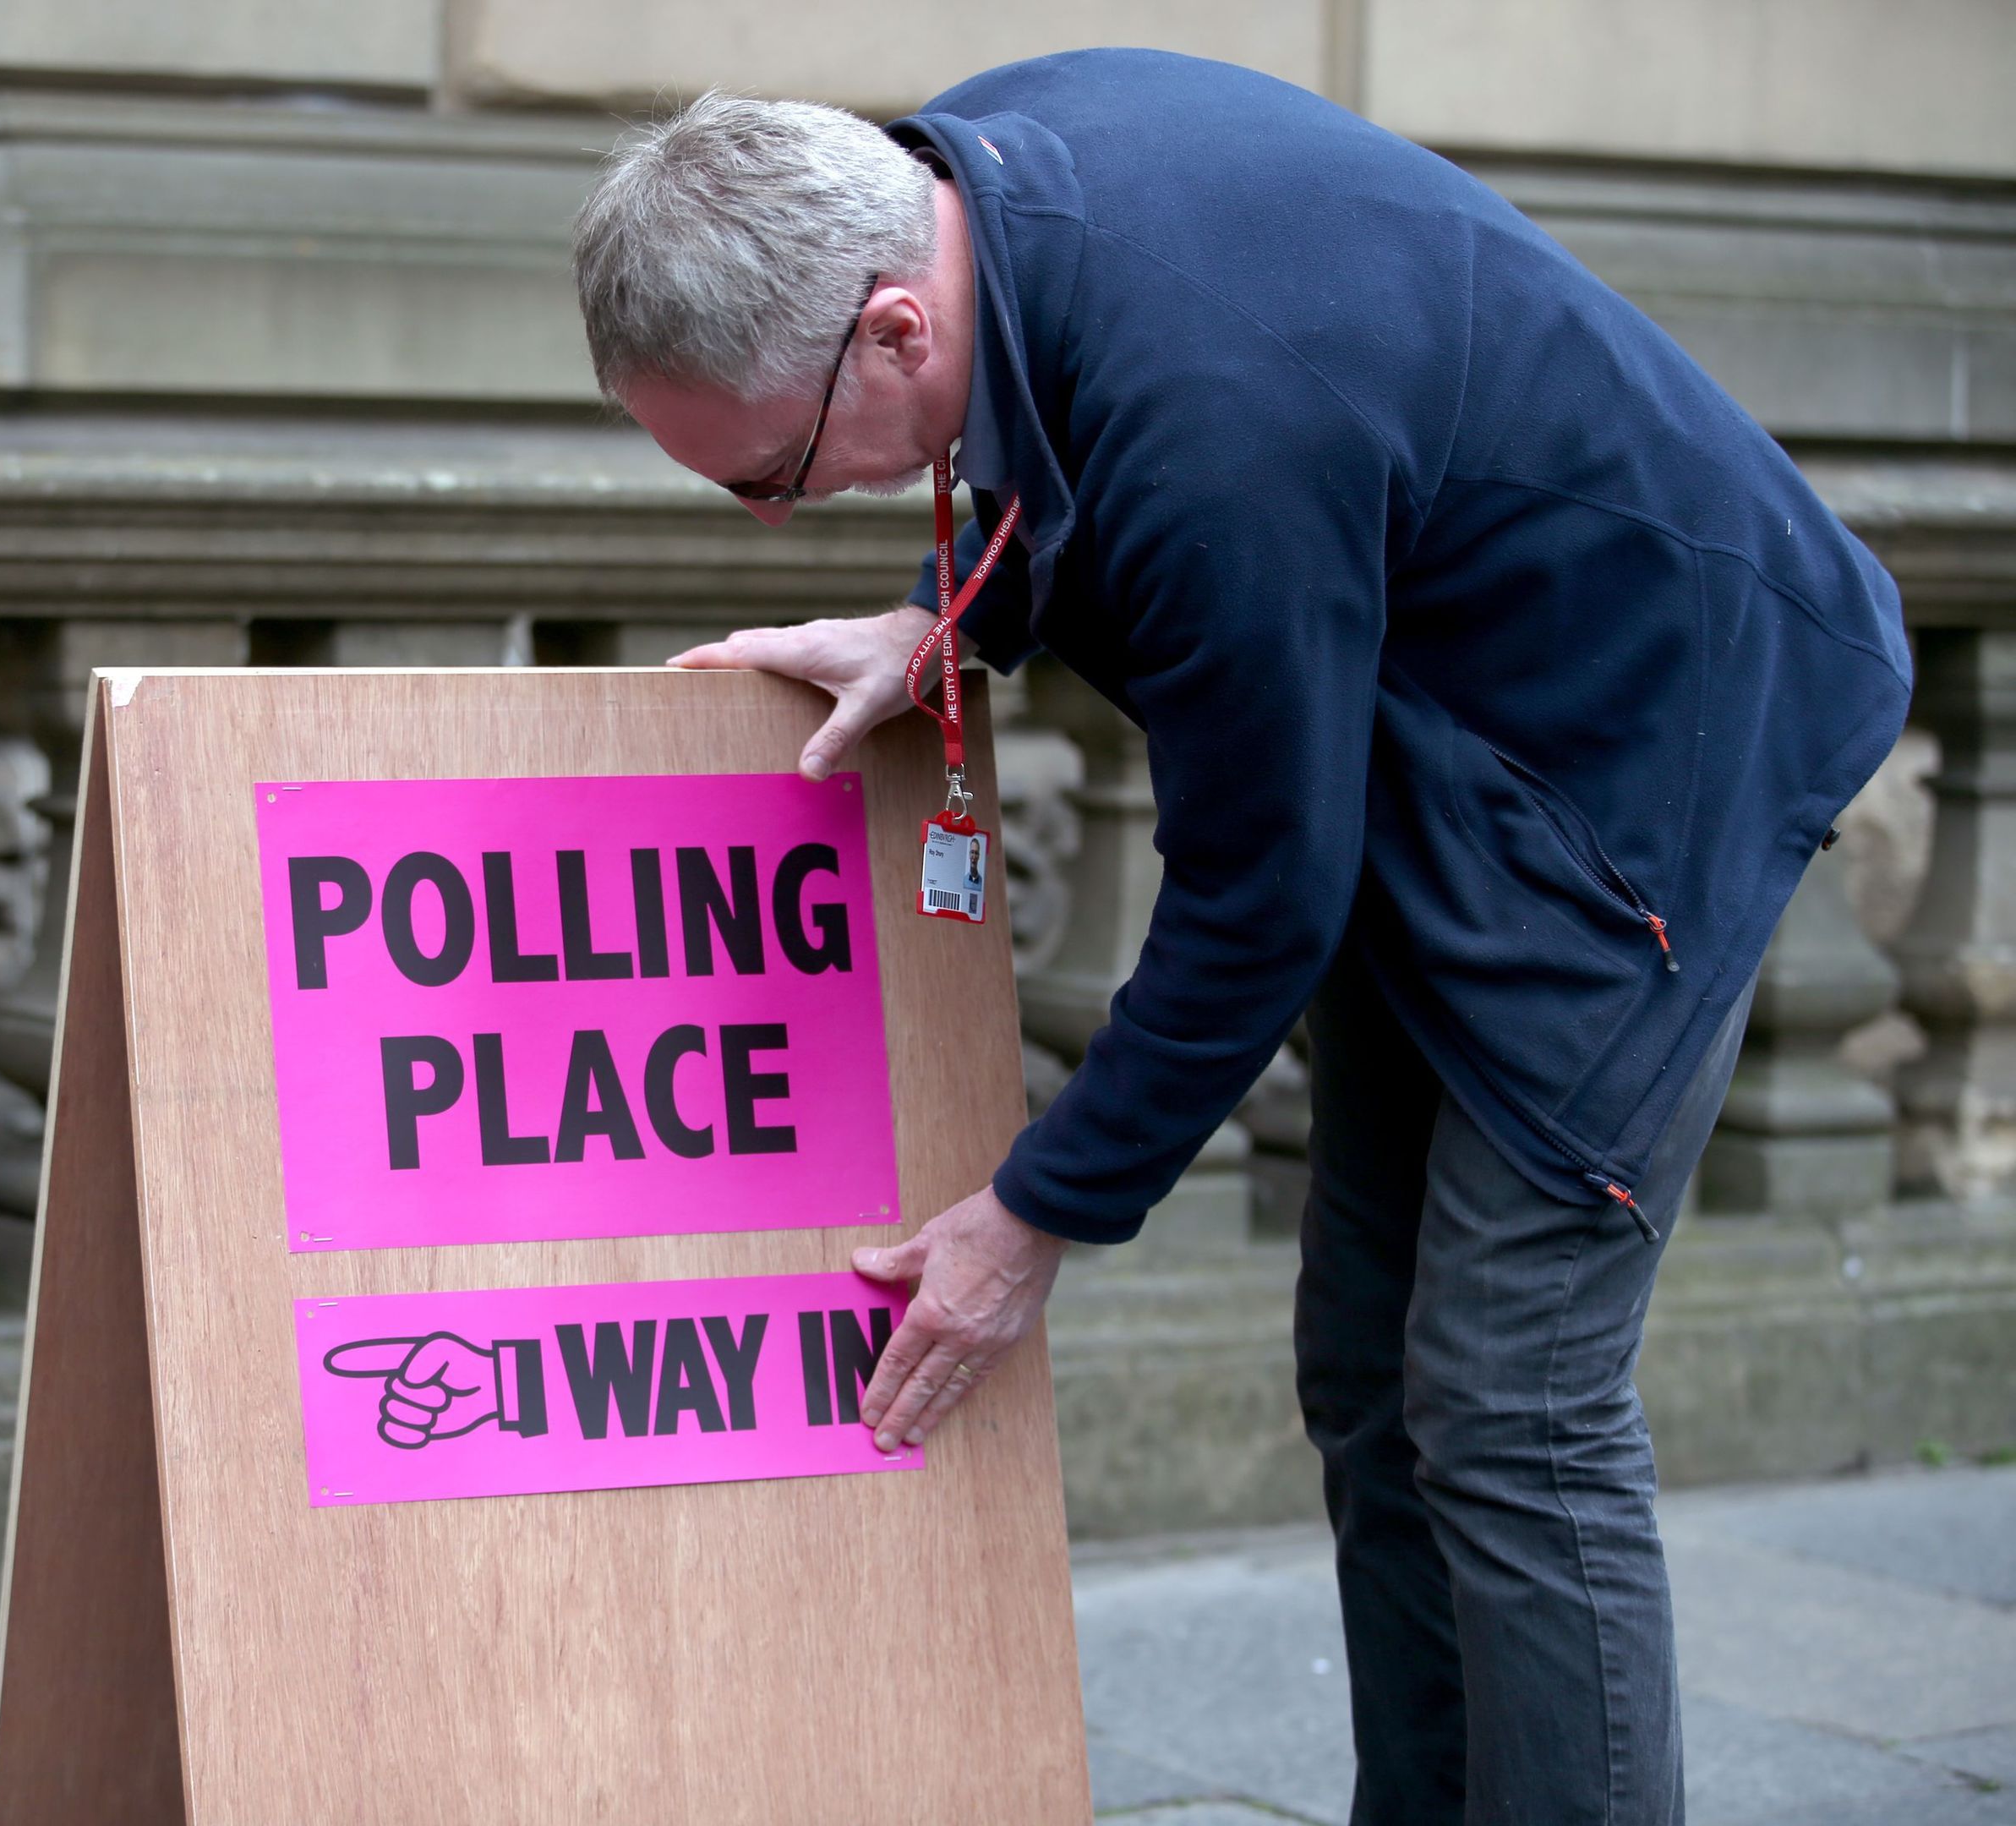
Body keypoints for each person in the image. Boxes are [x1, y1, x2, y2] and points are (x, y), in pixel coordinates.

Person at [571, 53, 1908, 1826]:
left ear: (896, 328)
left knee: (1511, 1404)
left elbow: (1259, 893)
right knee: (1370, 1370)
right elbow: (1068, 454)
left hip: (1648, 766)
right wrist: (937, 620)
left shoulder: (1217, 415)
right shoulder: (973, 170)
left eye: (779, 474)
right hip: (1431, 734)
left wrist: (1034, 1213)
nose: (772, 515)